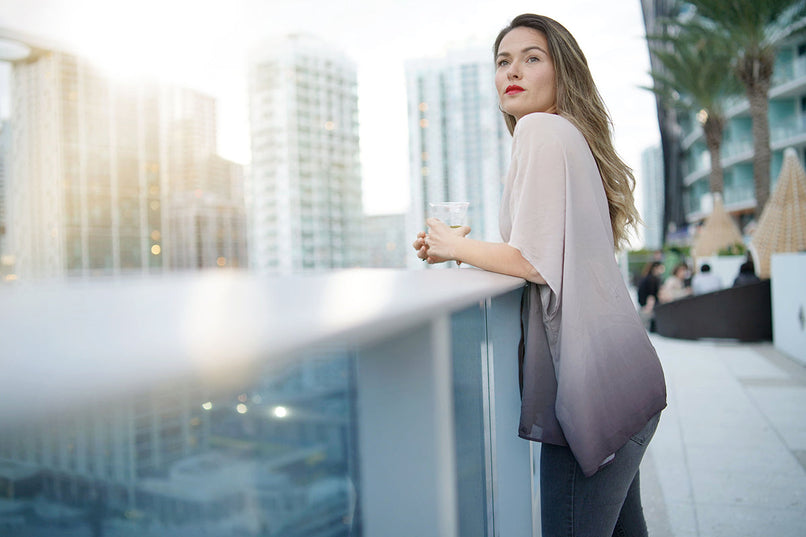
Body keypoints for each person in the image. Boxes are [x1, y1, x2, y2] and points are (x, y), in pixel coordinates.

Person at [412, 14, 666, 536]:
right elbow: (544, 251)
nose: (513, 70)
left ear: (561, 71)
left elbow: (531, 260)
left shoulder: (541, 129)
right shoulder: (569, 135)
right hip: (624, 380)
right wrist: (460, 251)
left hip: (593, 393)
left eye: (532, 58)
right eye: (503, 61)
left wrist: (455, 242)